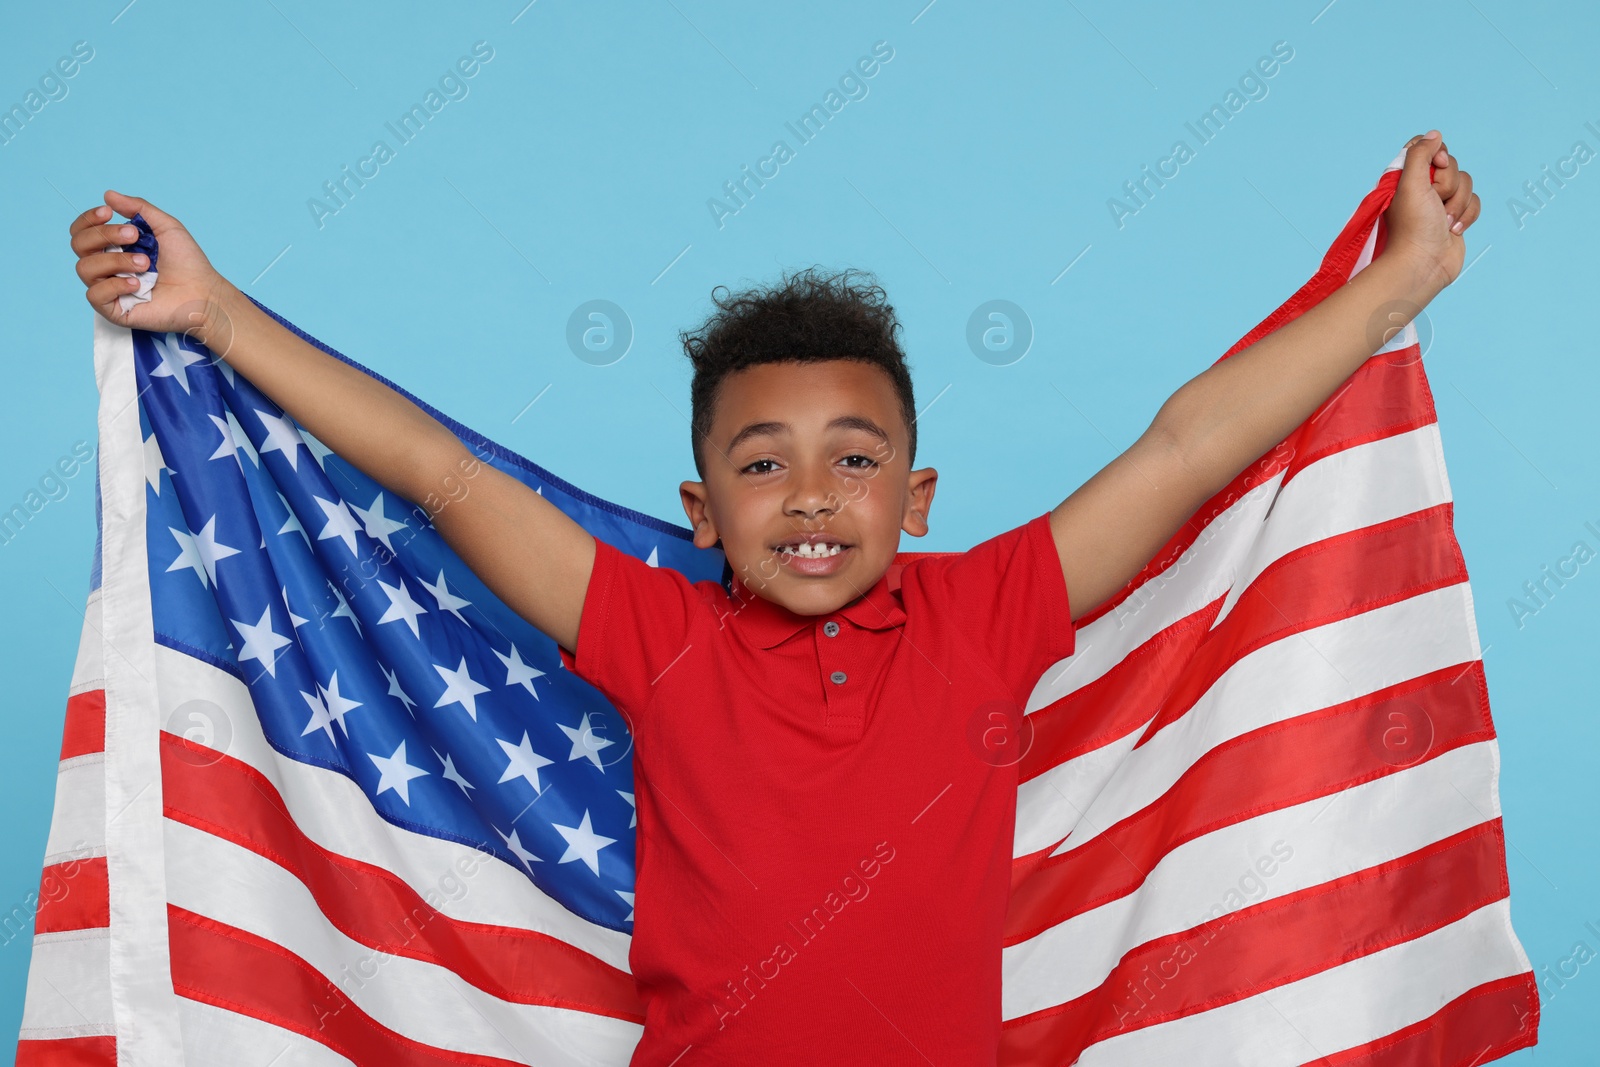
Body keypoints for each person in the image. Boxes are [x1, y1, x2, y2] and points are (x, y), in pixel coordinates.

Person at [67, 130, 1479, 1065]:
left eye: (854, 461)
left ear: (916, 502)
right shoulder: (660, 630)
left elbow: (1188, 446)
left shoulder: (989, 612)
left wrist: (1397, 283)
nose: (811, 496)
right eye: (764, 463)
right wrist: (217, 316)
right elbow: (440, 472)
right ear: (703, 514)